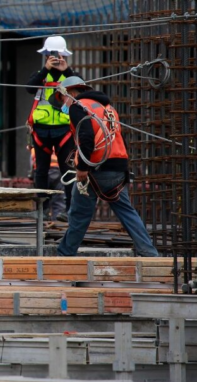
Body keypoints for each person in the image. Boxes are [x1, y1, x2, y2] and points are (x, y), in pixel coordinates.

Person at [51, 77, 159, 257]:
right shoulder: (108, 108)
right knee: (127, 212)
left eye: (63, 99)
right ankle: (149, 252)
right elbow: (118, 138)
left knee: (79, 214)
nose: (64, 104)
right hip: (117, 167)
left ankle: (65, 254)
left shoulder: (79, 107)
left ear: (70, 93)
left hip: (94, 170)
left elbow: (86, 137)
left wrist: (83, 168)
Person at [26, 36, 79, 221]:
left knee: (68, 171)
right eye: (51, 55)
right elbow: (29, 88)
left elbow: (83, 90)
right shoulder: (41, 75)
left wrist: (68, 70)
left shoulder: (70, 76)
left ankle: (70, 211)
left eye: (58, 55)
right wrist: (45, 69)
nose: (55, 58)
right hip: (42, 131)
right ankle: (42, 211)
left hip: (64, 130)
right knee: (41, 171)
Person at [29, 147, 66, 221]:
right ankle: (56, 223)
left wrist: (32, 176)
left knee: (42, 201)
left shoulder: (35, 148)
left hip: (42, 174)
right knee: (58, 201)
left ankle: (42, 222)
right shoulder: (60, 146)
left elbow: (32, 164)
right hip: (58, 172)